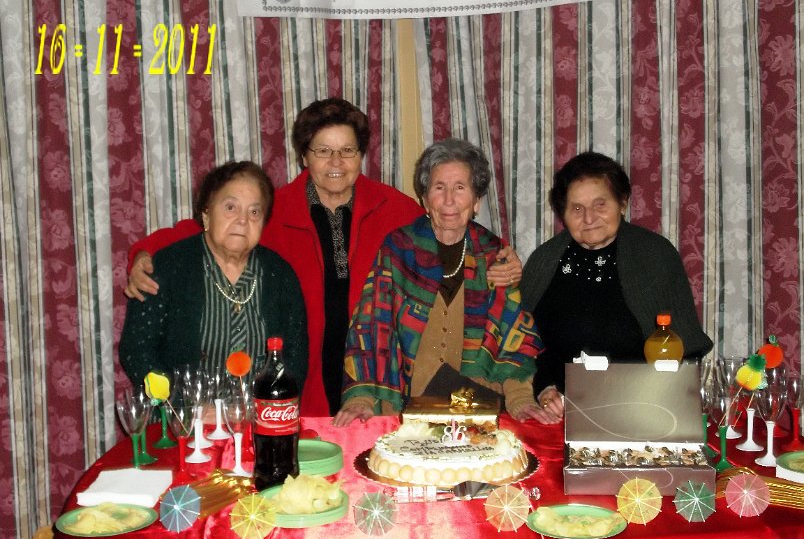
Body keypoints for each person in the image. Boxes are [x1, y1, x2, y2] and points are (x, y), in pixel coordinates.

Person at [124, 98, 522, 416]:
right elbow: (211, 229)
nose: (336, 163)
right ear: (304, 156)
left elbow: (452, 225)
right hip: (307, 370)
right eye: (323, 151)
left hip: (373, 370)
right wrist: (143, 254)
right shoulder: (275, 207)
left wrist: (504, 257)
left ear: (361, 155)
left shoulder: (393, 207)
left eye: (347, 150)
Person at [333, 139, 543, 427]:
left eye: (460, 188)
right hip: (407, 412)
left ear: (477, 201)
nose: (449, 200)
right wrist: (361, 398)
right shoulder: (399, 249)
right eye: (439, 187)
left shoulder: (494, 256)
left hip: (477, 413)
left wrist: (521, 399)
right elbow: (370, 328)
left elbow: (512, 339)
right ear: (424, 199)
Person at [520, 151, 714, 424]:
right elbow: (526, 346)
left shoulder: (654, 255)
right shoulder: (545, 261)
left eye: (600, 205)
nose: (589, 218)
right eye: (577, 208)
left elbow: (686, 350)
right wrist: (545, 389)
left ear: (622, 202)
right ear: (563, 213)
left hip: (646, 413)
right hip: (563, 415)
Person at [118, 161, 308, 389]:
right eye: (230, 207)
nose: (242, 220)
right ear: (206, 214)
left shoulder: (281, 275)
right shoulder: (168, 267)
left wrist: (270, 402)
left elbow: (296, 358)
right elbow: (137, 351)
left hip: (263, 410)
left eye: (254, 212)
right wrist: (181, 402)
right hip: (184, 410)